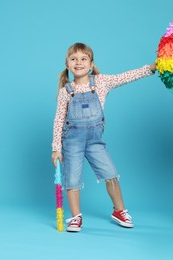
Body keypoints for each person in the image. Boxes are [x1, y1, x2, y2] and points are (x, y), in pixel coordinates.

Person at [51, 42, 156, 232]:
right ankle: (75, 217)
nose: (78, 62)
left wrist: (150, 68)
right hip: (72, 142)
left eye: (84, 59)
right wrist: (56, 148)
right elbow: (58, 119)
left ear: (91, 64)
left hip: (95, 141)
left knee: (111, 174)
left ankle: (119, 211)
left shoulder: (101, 82)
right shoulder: (65, 91)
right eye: (73, 59)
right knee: (72, 180)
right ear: (67, 65)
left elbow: (126, 77)